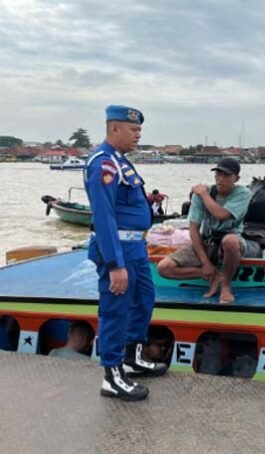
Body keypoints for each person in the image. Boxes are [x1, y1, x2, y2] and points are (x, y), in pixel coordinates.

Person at [83, 105, 168, 402]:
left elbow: (125, 204)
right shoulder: (104, 164)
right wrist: (114, 264)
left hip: (136, 248)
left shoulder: (121, 162)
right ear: (114, 128)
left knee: (143, 300)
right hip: (119, 250)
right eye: (133, 130)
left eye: (140, 130)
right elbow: (104, 217)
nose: (138, 135)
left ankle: (133, 357)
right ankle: (112, 375)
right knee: (115, 310)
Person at [156, 157, 260, 304]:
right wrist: (205, 263)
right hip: (208, 241)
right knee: (164, 268)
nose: (221, 179)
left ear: (236, 178)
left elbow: (221, 215)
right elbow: (194, 229)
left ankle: (226, 285)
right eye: (218, 174)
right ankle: (215, 276)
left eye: (226, 175)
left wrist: (204, 194)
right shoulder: (200, 195)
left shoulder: (242, 193)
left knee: (230, 241)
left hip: (232, 240)